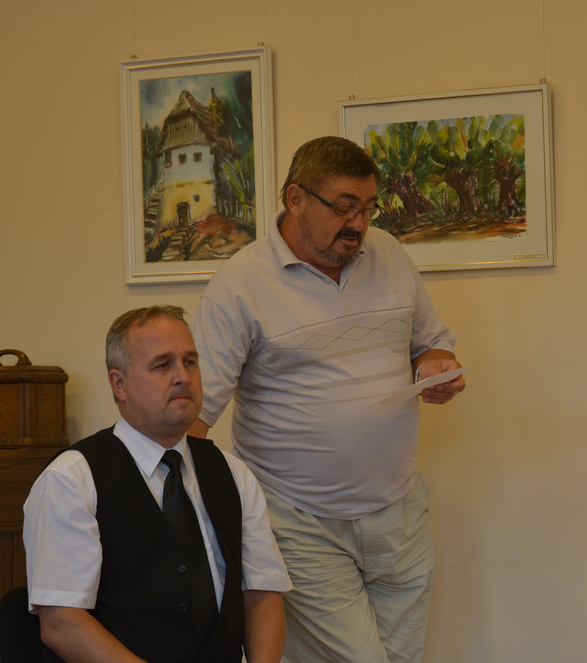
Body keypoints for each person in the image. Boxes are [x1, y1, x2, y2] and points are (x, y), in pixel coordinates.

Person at [188, 136, 465, 662]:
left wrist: (436, 366)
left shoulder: (389, 254)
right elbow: (194, 412)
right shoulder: (240, 284)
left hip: (400, 513)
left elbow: (430, 342)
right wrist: (184, 518)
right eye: (343, 207)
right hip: (300, 522)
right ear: (296, 199)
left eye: (368, 207)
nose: (359, 224)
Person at [23, 306, 292, 662]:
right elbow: (62, 623)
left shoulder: (233, 473)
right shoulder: (71, 480)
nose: (183, 377)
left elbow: (262, 595)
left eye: (190, 362)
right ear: (119, 384)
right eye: (163, 366)